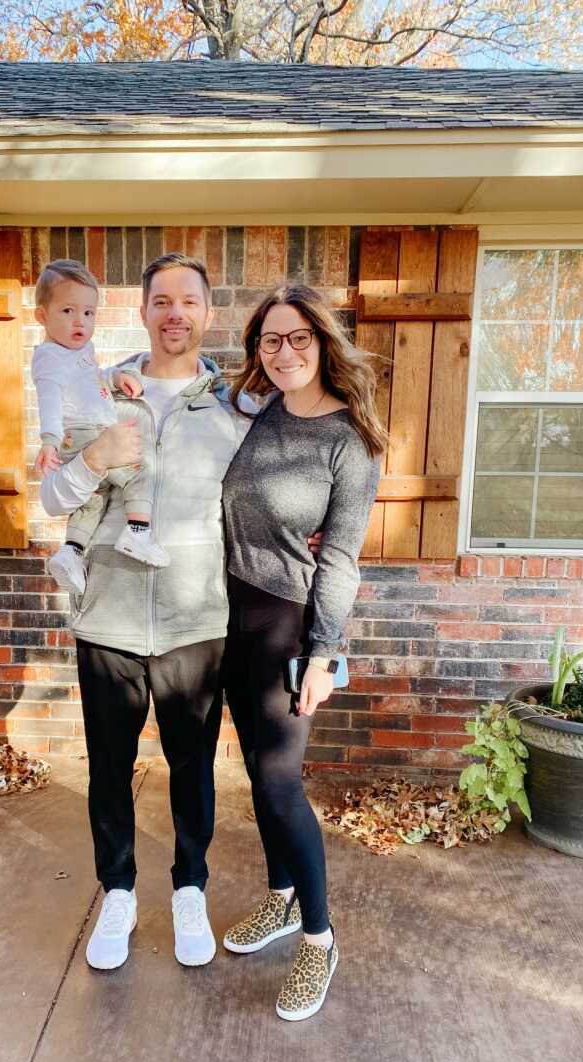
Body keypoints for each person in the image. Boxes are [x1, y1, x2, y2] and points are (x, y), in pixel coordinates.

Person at [39, 252, 251, 972]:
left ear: (206, 313)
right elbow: (53, 499)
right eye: (161, 300)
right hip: (110, 618)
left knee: (192, 767)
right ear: (144, 310)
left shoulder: (236, 408)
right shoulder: (96, 391)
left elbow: (261, 505)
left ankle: (189, 887)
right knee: (109, 765)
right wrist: (94, 457)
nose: (174, 313)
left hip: (197, 622)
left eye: (188, 301)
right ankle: (119, 892)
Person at [220, 284, 385, 1021]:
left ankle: (318, 940)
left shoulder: (348, 442)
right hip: (225, 617)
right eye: (270, 341)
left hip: (287, 627)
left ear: (323, 342)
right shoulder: (251, 413)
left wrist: (324, 654)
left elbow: (341, 557)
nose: (283, 353)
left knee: (283, 782)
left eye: (298, 339)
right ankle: (281, 899)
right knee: (257, 772)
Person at [32, 259, 170, 595]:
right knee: (139, 470)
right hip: (84, 432)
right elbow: (49, 400)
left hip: (84, 432)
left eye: (88, 313)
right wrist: (48, 440)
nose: (80, 321)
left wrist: (115, 378)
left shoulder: (78, 351)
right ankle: (138, 532)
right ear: (41, 316)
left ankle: (70, 553)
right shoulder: (49, 358)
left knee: (94, 498)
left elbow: (91, 381)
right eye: (67, 311)